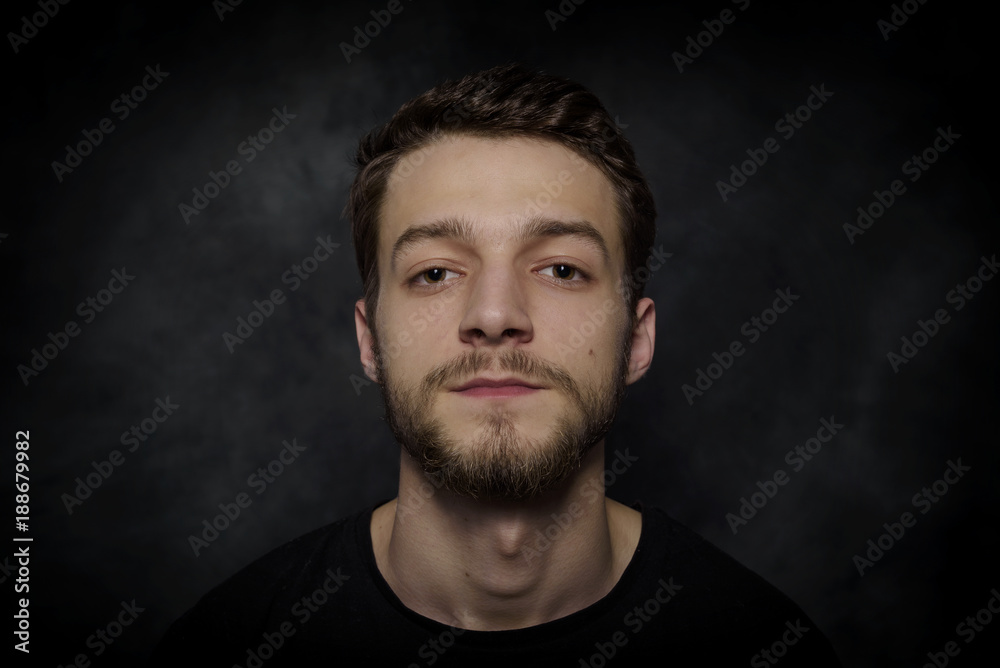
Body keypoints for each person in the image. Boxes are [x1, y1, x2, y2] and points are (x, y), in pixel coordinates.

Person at [149, 64, 842, 667]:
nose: (494, 313)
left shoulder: (764, 645)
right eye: (437, 273)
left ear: (637, 338)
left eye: (563, 268)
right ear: (370, 342)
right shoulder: (227, 646)